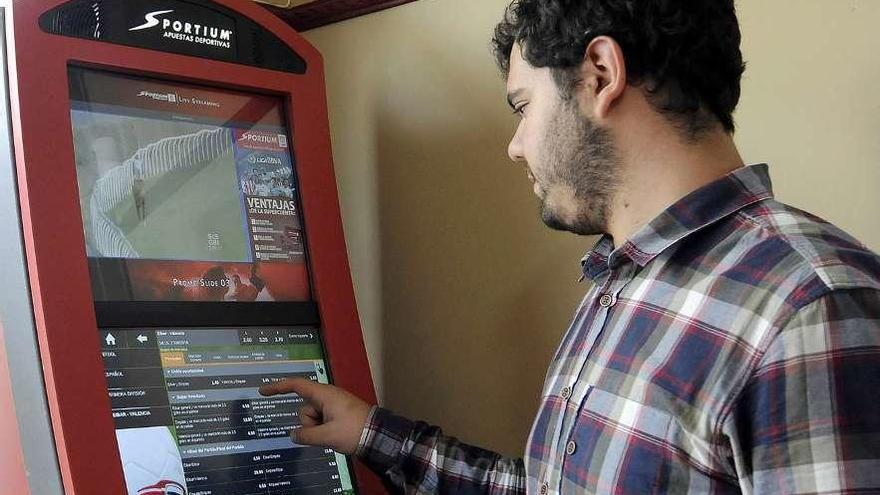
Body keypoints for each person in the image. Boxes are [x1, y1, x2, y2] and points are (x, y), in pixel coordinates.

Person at [259, 1, 880, 493]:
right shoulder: (622, 276)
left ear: (600, 75)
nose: (516, 145)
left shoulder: (813, 307)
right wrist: (371, 433)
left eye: (523, 106)